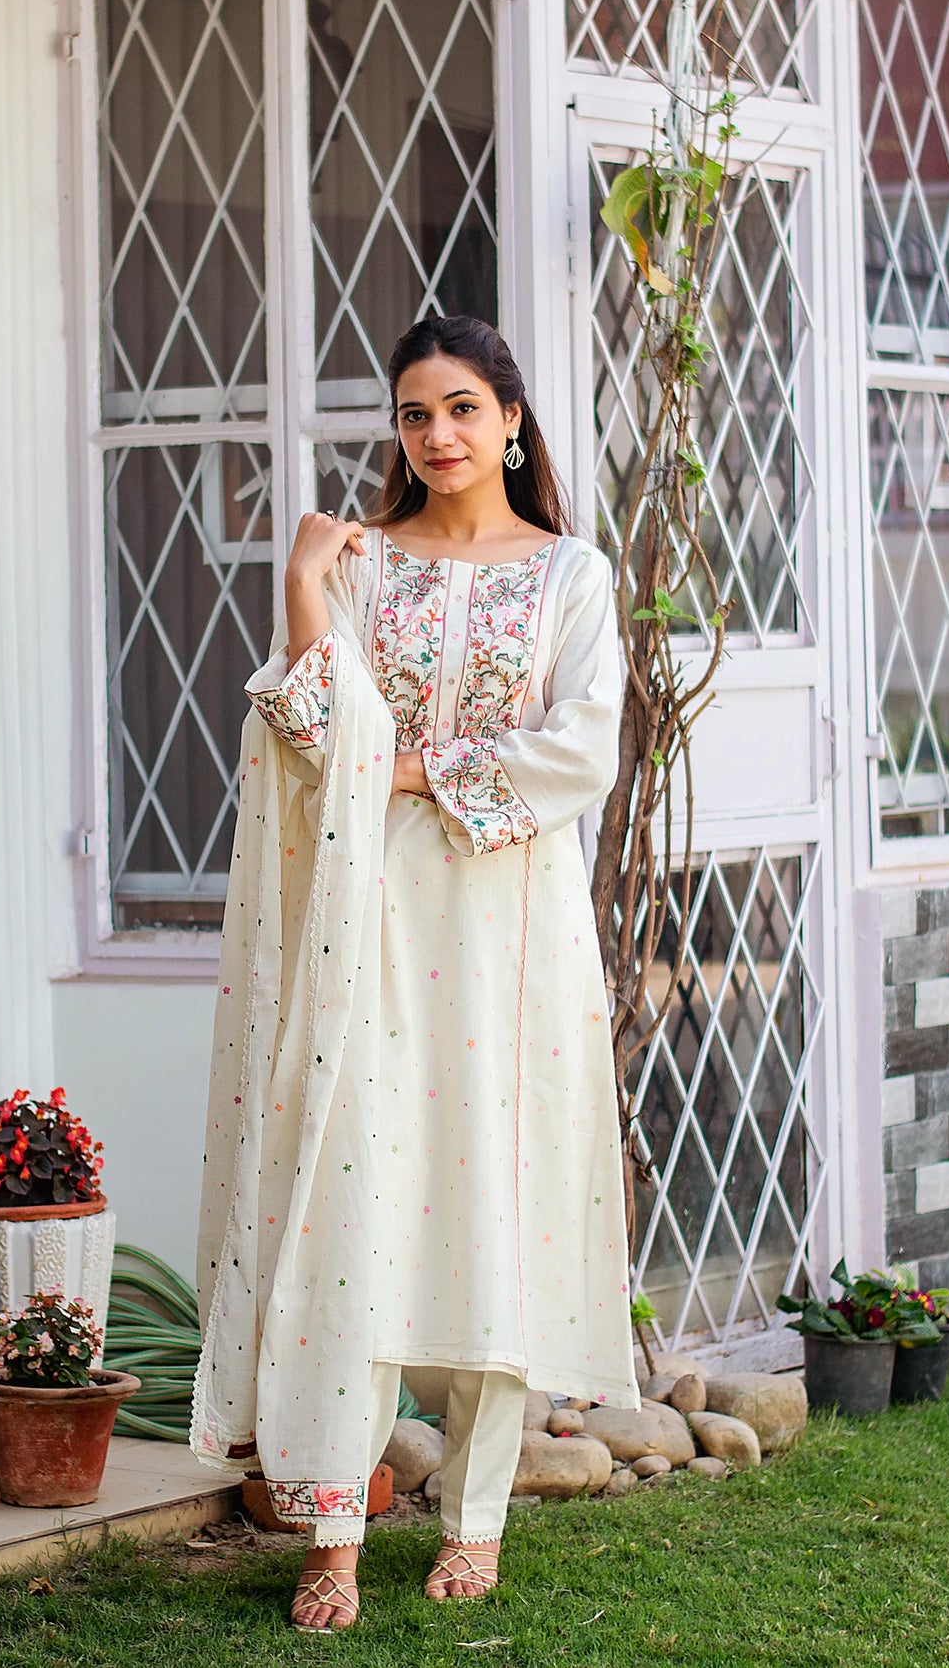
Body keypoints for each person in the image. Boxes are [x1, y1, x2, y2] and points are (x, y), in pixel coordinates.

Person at [190, 315, 638, 1632]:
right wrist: (305, 592)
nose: (435, 435)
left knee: (487, 1190)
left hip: (507, 920)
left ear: (510, 420)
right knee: (354, 1189)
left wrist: (415, 768)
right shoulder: (368, 568)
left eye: (458, 409)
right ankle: (333, 1520)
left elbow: (582, 745)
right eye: (411, 415)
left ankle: (475, 1515)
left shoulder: (569, 575)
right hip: (370, 909)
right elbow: (307, 723)